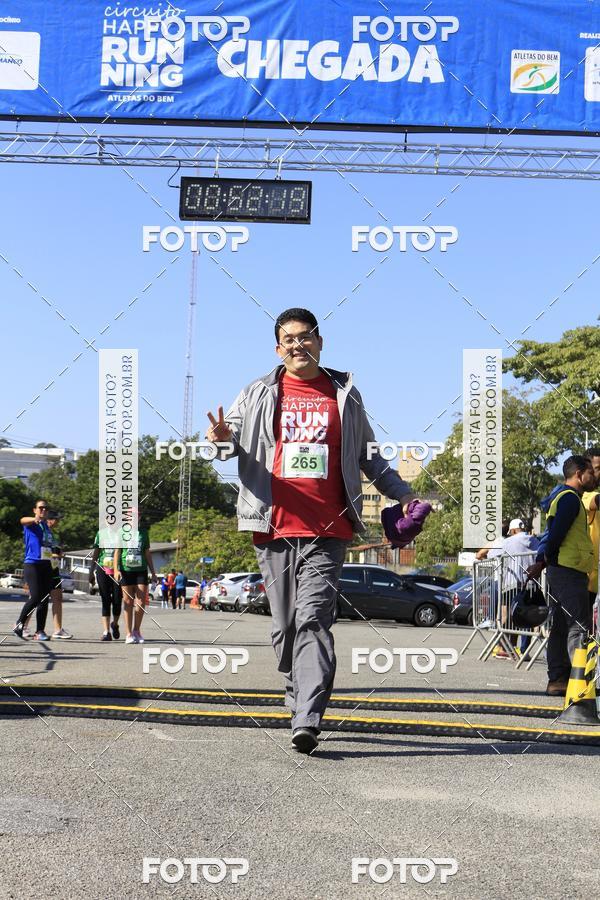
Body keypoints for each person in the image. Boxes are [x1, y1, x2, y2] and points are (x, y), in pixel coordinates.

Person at [206, 307, 425, 754]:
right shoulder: (259, 392)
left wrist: (403, 496)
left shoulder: (344, 394)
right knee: (285, 626)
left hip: (329, 529)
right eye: (288, 339)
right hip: (273, 527)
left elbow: (370, 458)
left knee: (313, 619)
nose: (297, 345)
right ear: (277, 348)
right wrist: (221, 439)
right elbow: (231, 445)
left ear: (320, 341)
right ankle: (298, 694)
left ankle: (307, 718)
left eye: (305, 337)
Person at [536, 456, 595, 696]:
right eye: (591, 472)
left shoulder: (564, 497)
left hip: (563, 570)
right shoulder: (570, 499)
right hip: (568, 571)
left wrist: (544, 562)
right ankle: (578, 683)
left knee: (561, 626)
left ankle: (559, 680)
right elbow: (556, 534)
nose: (594, 476)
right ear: (580, 474)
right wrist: (549, 557)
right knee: (579, 626)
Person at [13, 499, 54, 640]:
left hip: (46, 564)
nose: (43, 510)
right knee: (36, 596)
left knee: (44, 598)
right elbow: (22, 520)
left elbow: (47, 545)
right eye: (40, 508)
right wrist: (34, 519)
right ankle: (19, 623)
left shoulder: (46, 527)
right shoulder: (31, 523)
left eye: (46, 508)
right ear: (35, 510)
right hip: (32, 564)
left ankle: (40, 631)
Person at [113, 521, 157, 644]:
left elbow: (147, 553)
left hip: (141, 570)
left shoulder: (143, 532)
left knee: (141, 601)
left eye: (137, 516)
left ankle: (136, 630)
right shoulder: (122, 532)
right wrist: (116, 570)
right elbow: (117, 552)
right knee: (127, 601)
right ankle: (128, 633)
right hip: (126, 570)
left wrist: (153, 572)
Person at [89, 528, 122, 641]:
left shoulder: (122, 532)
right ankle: (106, 631)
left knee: (117, 600)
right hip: (103, 568)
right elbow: (96, 552)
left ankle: (115, 624)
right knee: (105, 599)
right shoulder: (101, 533)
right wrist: (91, 571)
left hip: (117, 570)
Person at [46, 511, 72, 639]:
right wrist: (55, 555)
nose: (58, 522)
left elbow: (57, 552)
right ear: (49, 520)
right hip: (43, 569)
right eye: (57, 519)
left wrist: (60, 553)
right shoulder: (42, 531)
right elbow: (41, 551)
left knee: (58, 598)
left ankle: (57, 630)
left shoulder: (53, 535)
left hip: (54, 569)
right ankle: (23, 625)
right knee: (36, 599)